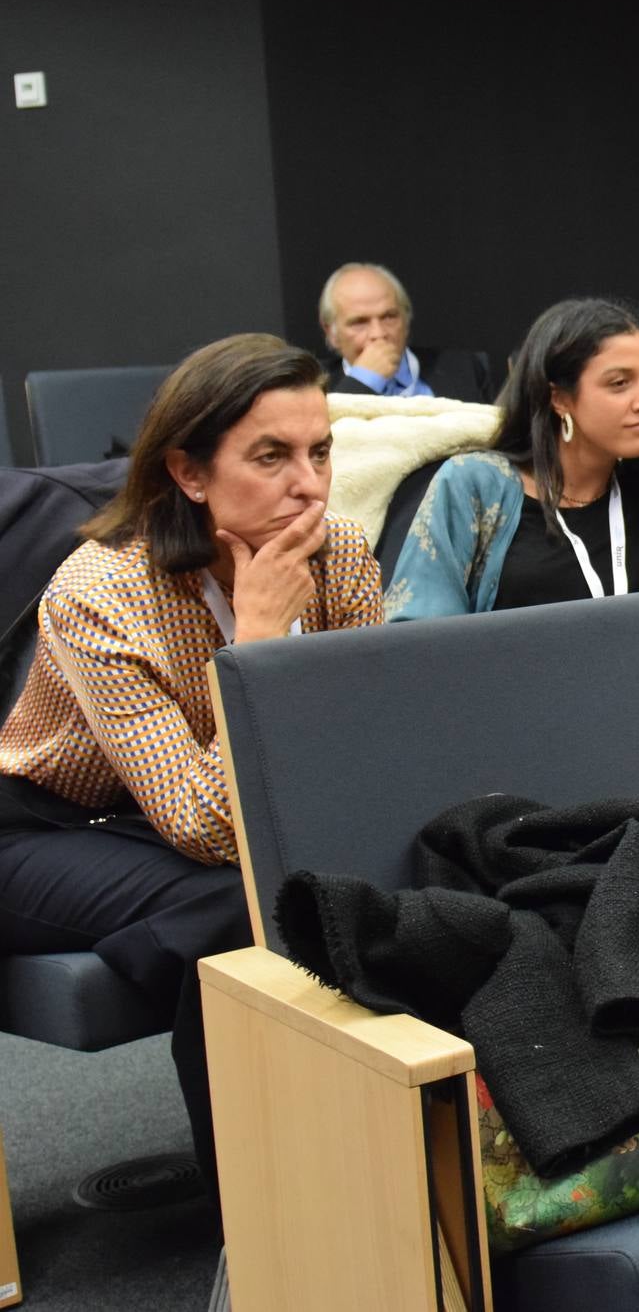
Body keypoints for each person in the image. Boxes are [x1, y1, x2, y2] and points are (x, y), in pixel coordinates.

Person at [0, 334, 384, 1198]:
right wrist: (256, 645)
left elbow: (370, 738)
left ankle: (368, 1149)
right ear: (189, 472)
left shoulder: (341, 553)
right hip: (40, 821)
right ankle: (257, 1201)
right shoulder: (100, 593)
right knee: (241, 901)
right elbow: (206, 827)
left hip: (169, 812)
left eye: (320, 451)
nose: (310, 484)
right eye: (271, 456)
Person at [381, 297, 639, 822]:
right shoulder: (476, 483)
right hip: (516, 728)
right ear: (559, 397)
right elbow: (418, 640)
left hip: (636, 714)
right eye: (619, 383)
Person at [318, 261, 480, 399]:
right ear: (331, 332)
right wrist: (363, 380)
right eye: (359, 322)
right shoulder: (312, 385)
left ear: (406, 318)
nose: (378, 333)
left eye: (389, 317)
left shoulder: (464, 369)